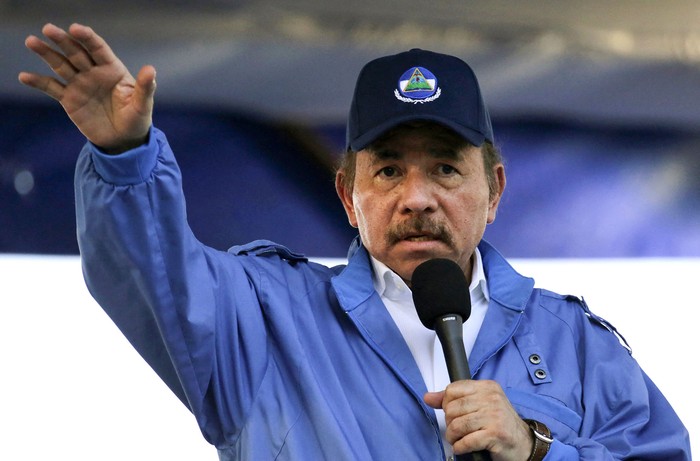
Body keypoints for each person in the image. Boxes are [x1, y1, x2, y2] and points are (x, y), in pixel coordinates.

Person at [19, 23, 690, 461]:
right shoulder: (261, 317)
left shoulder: (577, 343)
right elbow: (151, 275)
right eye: (390, 169)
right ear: (348, 195)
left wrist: (539, 446)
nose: (417, 196)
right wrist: (124, 156)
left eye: (446, 167)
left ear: (495, 190)